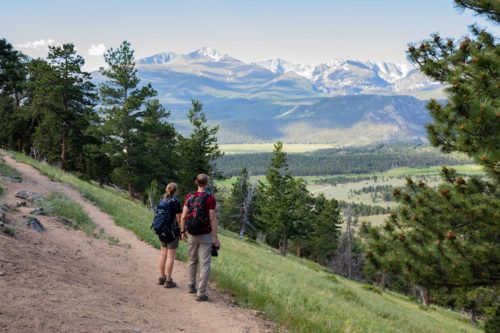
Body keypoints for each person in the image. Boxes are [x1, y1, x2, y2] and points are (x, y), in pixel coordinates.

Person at [180, 174, 220, 301]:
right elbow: (212, 218)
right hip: (205, 235)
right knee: (205, 263)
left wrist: (182, 231)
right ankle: (201, 293)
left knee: (192, 260)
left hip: (191, 233)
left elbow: (183, 216)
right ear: (207, 183)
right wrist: (215, 237)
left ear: (196, 182)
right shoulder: (210, 199)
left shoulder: (189, 196)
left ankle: (191, 285)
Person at [157, 182, 182, 288]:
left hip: (161, 230)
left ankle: (161, 277)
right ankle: (168, 281)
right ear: (176, 191)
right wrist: (181, 230)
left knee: (163, 254)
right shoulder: (175, 202)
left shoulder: (162, 199)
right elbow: (178, 218)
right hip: (172, 232)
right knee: (170, 256)